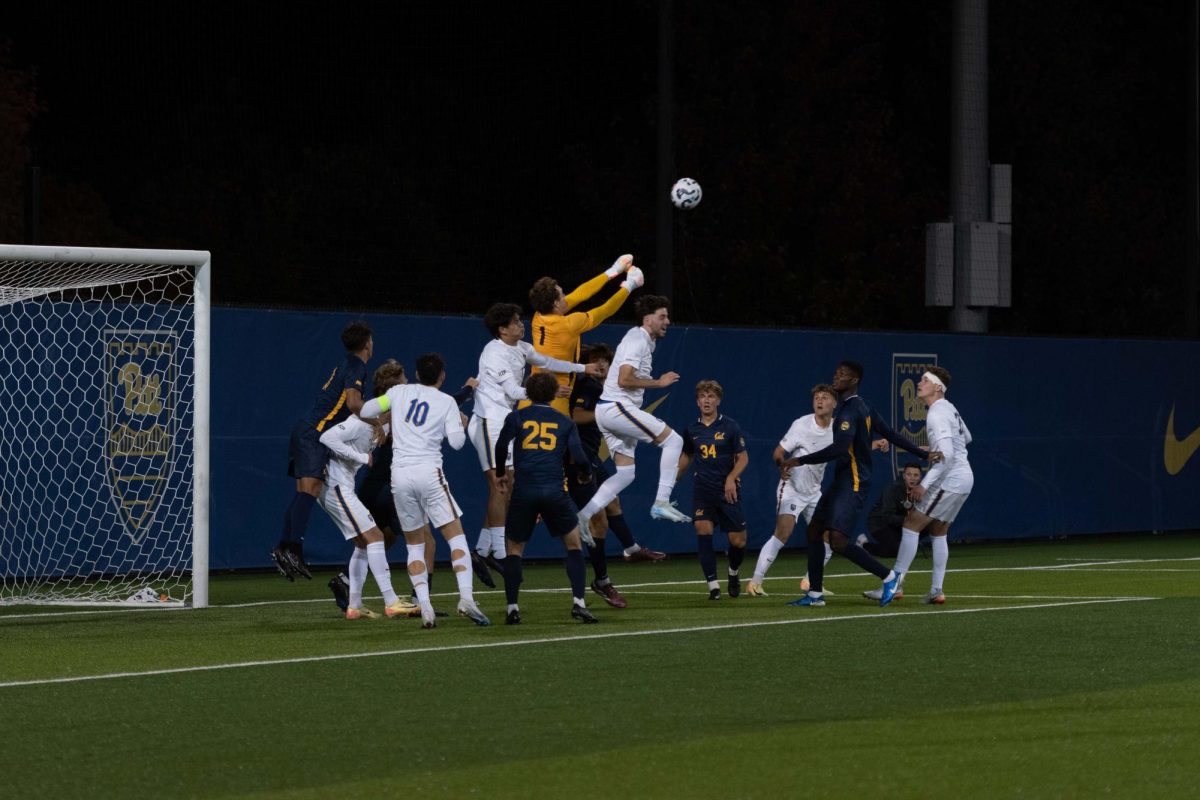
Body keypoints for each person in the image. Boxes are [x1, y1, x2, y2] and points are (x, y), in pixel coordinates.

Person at [468, 302, 602, 589]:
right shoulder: (494, 354)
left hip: (504, 419)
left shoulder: (522, 347)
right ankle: (500, 553)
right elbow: (515, 391)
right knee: (498, 483)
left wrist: (582, 367)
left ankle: (481, 551)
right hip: (488, 421)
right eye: (516, 322)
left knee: (509, 485)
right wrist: (551, 389)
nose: (521, 324)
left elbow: (548, 362)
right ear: (502, 329)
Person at [780, 360, 934, 608]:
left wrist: (799, 460)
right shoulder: (864, 405)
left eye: (842, 375)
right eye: (836, 372)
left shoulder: (850, 410)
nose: (836, 376)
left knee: (838, 541)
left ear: (854, 381)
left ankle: (889, 577)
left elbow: (840, 447)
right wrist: (922, 453)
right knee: (814, 532)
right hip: (842, 480)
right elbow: (891, 434)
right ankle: (815, 595)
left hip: (853, 482)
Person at [358, 352, 489, 629]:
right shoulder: (446, 402)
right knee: (456, 537)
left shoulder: (399, 392)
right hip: (429, 473)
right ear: (442, 376)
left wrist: (389, 413)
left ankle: (426, 607)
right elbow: (455, 444)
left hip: (400, 478)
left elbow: (367, 410)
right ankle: (466, 597)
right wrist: (459, 426)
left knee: (415, 544)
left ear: (417, 375)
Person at [575, 295, 692, 533]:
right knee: (674, 440)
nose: (667, 321)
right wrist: (658, 383)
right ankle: (661, 502)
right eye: (662, 316)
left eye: (667, 316)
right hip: (616, 407)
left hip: (611, 410)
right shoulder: (638, 339)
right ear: (648, 319)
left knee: (626, 474)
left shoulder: (644, 340)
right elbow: (624, 379)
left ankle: (583, 516)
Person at [493, 372, 599, 624]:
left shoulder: (517, 416)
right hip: (554, 490)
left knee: (515, 549)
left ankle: (512, 608)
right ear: (554, 394)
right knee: (573, 544)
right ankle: (578, 603)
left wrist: (500, 474)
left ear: (528, 393)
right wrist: (585, 474)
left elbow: (500, 445)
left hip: (524, 490)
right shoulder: (565, 422)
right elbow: (579, 456)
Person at [567, 344, 667, 609]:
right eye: (595, 361)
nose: (601, 365)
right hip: (578, 460)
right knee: (598, 519)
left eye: (605, 361)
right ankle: (602, 580)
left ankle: (631, 548)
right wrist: (605, 416)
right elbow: (576, 415)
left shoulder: (604, 389)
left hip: (590, 456)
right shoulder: (587, 387)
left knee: (612, 503)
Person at [317, 363, 419, 620]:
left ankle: (354, 606)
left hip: (344, 486)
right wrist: (362, 457)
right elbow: (327, 438)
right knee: (375, 538)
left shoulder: (383, 421)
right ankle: (392, 601)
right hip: (335, 487)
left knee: (364, 544)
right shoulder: (361, 419)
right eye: (403, 385)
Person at [275, 321, 373, 581]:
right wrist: (375, 420)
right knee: (310, 490)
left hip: (306, 428)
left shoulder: (344, 363)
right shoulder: (357, 365)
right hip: (315, 432)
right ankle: (292, 547)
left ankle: (285, 547)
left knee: (303, 492)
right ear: (367, 344)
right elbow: (353, 403)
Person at [876, 366, 972, 605]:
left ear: (937, 387)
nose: (919, 383)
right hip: (963, 478)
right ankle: (936, 590)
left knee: (911, 524)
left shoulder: (937, 412)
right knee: (938, 532)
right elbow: (966, 438)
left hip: (950, 479)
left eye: (924, 380)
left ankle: (894, 585)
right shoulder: (950, 408)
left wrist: (924, 485)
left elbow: (946, 455)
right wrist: (922, 450)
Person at [746, 384, 837, 597]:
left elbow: (849, 448)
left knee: (829, 537)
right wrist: (782, 466)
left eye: (824, 398)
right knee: (783, 533)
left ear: (834, 403)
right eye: (816, 398)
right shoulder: (801, 425)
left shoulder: (837, 428)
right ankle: (755, 582)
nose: (819, 401)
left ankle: (810, 581)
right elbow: (778, 452)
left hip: (814, 492)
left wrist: (875, 444)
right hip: (792, 488)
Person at [526, 255, 643, 416]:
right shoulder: (569, 324)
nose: (565, 296)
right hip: (556, 397)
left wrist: (613, 271)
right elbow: (605, 310)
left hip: (531, 395)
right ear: (555, 303)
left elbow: (579, 294)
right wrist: (630, 285)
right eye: (561, 294)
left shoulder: (538, 316)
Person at [676, 380, 749, 600]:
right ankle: (713, 586)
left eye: (711, 396)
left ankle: (733, 572)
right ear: (697, 402)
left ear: (718, 400)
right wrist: (673, 479)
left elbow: (743, 457)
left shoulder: (730, 426)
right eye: (702, 397)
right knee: (702, 530)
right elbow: (687, 456)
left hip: (727, 491)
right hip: (703, 491)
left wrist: (731, 478)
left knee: (739, 542)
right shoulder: (691, 429)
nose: (707, 400)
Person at [861, 462, 924, 560]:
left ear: (920, 477)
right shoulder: (892, 489)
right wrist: (908, 520)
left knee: (930, 523)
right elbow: (887, 516)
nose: (912, 478)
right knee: (896, 550)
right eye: (909, 475)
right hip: (879, 523)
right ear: (904, 476)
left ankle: (911, 544)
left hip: (901, 524)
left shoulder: (921, 491)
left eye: (916, 475)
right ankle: (864, 545)